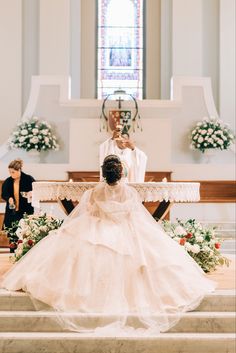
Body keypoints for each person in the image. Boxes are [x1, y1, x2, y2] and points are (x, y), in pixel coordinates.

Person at [1, 155, 215, 334]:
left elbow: (88, 213)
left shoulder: (92, 192)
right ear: (120, 173)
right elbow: (135, 215)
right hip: (125, 229)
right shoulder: (130, 192)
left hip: (97, 229)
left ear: (103, 173)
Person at [1, 159, 35, 229]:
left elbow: (36, 191)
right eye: (10, 172)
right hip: (11, 212)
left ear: (19, 170)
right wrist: (9, 198)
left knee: (25, 233)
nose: (11, 174)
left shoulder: (28, 179)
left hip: (25, 211)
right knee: (11, 234)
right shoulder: (8, 181)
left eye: (13, 172)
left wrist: (30, 194)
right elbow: (3, 194)